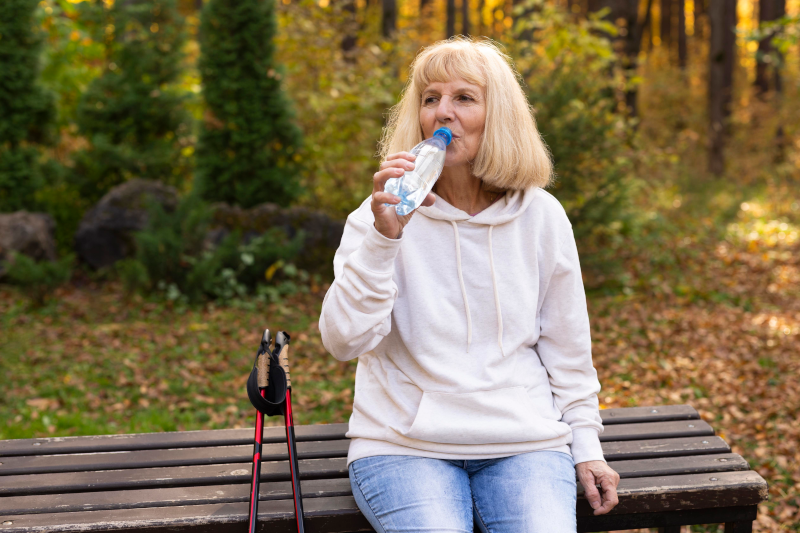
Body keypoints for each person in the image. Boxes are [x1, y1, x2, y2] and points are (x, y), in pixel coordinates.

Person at [319, 37, 620, 533]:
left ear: (496, 114)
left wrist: (586, 447)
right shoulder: (379, 215)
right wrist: (383, 240)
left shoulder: (541, 216)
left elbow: (567, 348)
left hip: (525, 442)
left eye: (463, 98)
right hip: (403, 446)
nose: (443, 113)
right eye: (430, 97)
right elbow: (342, 341)